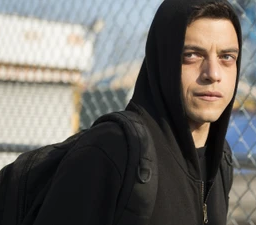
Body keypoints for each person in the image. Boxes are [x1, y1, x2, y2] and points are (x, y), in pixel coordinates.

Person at [33, 0, 242, 224]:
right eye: (192, 55)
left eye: (226, 57)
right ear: (163, 62)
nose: (213, 73)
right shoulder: (114, 149)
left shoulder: (219, 159)